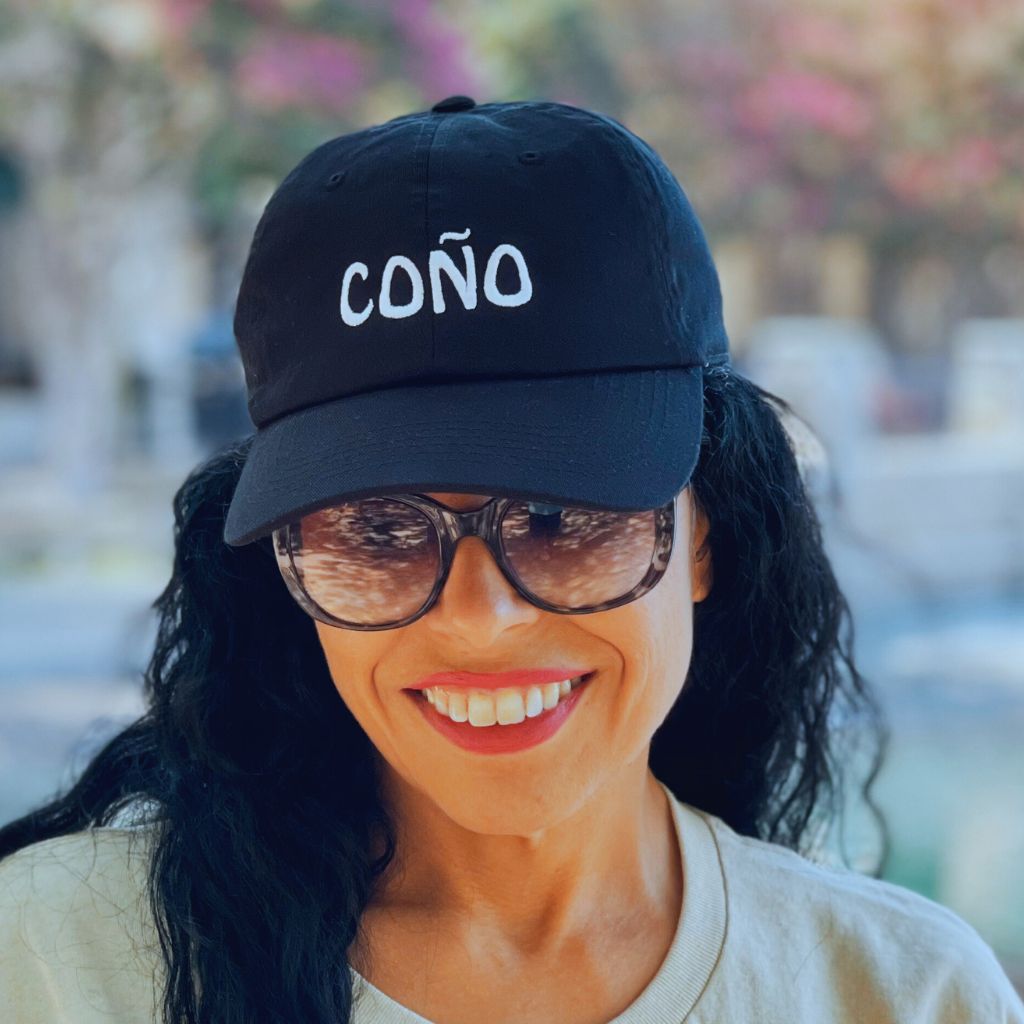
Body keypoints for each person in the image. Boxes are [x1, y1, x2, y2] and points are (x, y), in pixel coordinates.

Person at [1, 96, 1021, 1024]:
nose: (477, 617)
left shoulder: (903, 992)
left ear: (707, 534)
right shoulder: (52, 963)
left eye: (558, 516)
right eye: (378, 533)